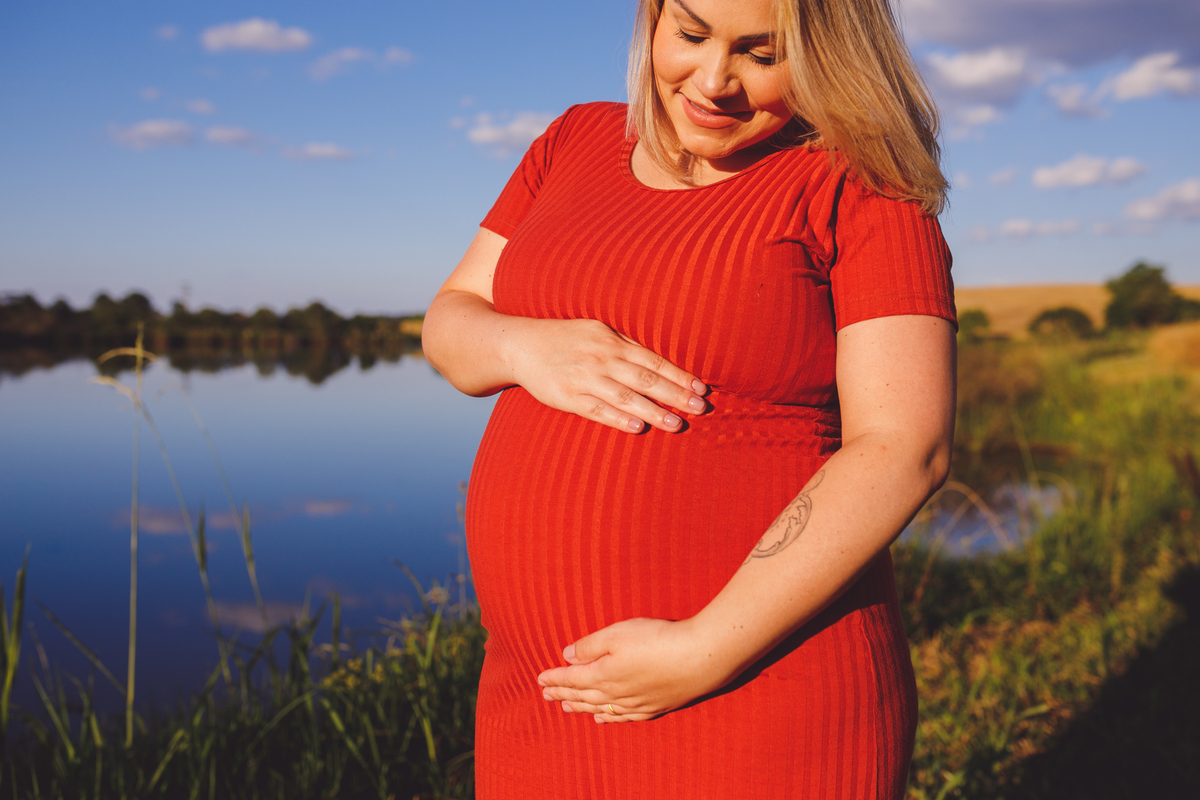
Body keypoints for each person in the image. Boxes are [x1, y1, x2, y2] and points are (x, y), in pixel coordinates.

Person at [422, 0, 956, 797]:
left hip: (759, 689)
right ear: (653, 20)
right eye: (693, 35)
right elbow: (450, 324)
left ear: (829, 57)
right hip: (543, 694)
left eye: (761, 54)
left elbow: (905, 447)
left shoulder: (861, 184)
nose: (713, 81)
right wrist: (522, 345)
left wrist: (704, 649)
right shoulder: (575, 142)